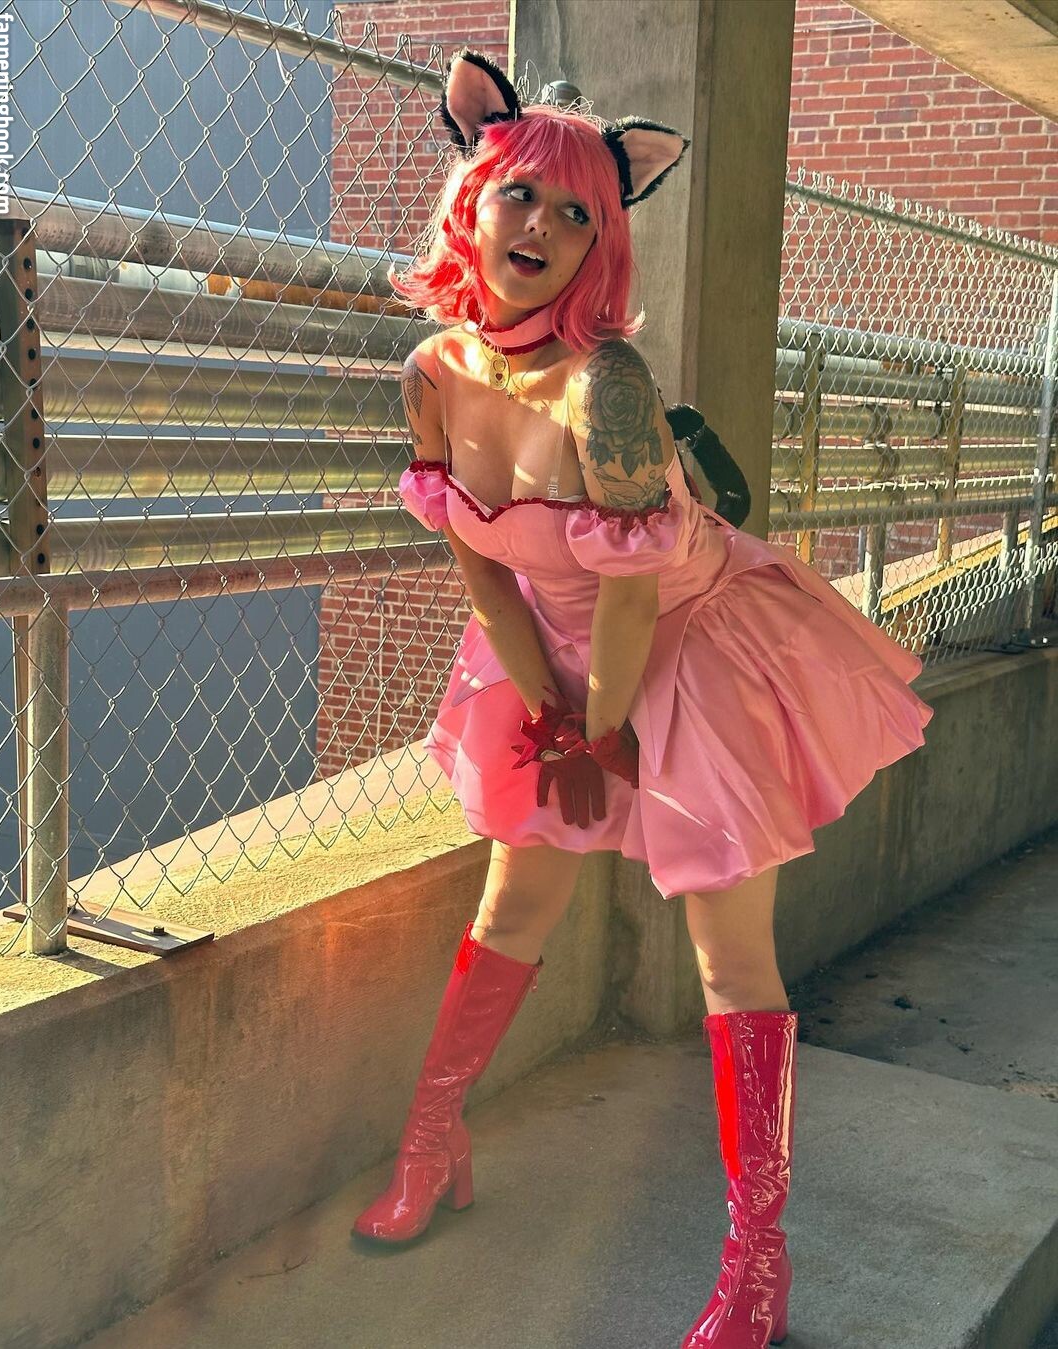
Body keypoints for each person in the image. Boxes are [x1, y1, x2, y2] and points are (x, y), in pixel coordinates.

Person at [351, 47, 935, 1349]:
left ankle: (757, 1260)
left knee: (728, 951)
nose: (542, 228)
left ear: (602, 243)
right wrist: (546, 713)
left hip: (688, 647)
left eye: (578, 213)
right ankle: (431, 1142)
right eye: (521, 194)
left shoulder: (605, 386)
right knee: (515, 901)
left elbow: (629, 593)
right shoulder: (434, 370)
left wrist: (600, 735)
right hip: (551, 653)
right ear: (472, 194)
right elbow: (479, 564)